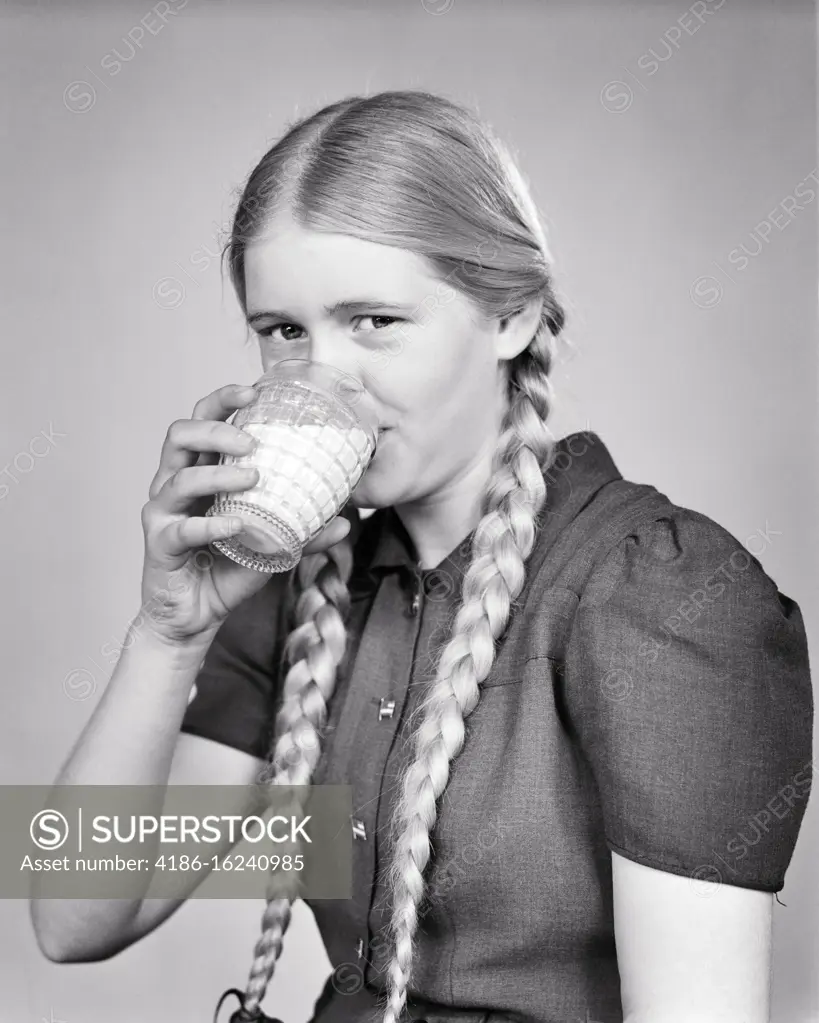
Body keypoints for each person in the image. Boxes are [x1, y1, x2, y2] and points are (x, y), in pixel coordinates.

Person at [31, 90, 813, 1023]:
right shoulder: (294, 592)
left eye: (374, 321)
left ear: (512, 318)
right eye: (285, 331)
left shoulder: (660, 594)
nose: (327, 376)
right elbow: (72, 919)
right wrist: (167, 633)